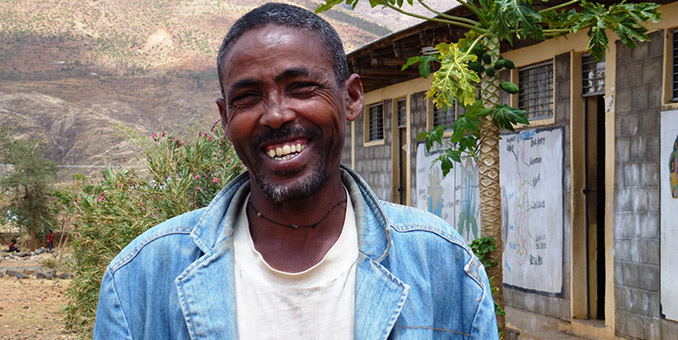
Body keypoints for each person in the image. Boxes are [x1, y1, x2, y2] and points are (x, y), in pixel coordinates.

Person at [93, 3, 498, 339]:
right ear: (225, 117)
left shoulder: (441, 263)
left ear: (352, 97)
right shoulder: (142, 278)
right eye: (248, 97)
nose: (275, 114)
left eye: (302, 88)